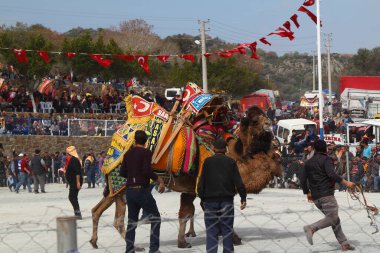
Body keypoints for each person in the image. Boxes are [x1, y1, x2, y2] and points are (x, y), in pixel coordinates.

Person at [300, 140, 356, 251]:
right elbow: (331, 174)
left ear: (314, 149)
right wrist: (346, 183)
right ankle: (311, 228)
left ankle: (344, 243)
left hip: (315, 197)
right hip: (326, 195)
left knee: (334, 219)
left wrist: (307, 192)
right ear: (325, 148)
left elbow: (302, 179)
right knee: (333, 217)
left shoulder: (308, 162)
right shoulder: (326, 159)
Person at [197, 138, 247, 253]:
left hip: (210, 202)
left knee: (211, 232)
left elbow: (201, 183)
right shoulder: (231, 162)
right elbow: (239, 182)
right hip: (226, 201)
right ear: (225, 149)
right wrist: (243, 198)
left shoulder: (207, 162)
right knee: (227, 231)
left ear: (214, 148)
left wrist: (202, 198)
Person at [119, 130, 165, 253]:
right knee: (156, 218)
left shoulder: (128, 154)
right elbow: (146, 171)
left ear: (135, 141)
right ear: (146, 142)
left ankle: (129, 250)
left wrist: (132, 174)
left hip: (130, 191)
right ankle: (154, 249)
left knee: (132, 222)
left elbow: (122, 172)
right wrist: (159, 179)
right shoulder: (146, 153)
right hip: (141, 191)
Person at [65, 146, 83, 219]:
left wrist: (78, 182)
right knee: (73, 197)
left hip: (75, 182)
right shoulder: (72, 160)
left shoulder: (74, 160)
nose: (66, 155)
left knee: (72, 197)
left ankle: (78, 214)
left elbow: (77, 172)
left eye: (67, 154)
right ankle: (77, 213)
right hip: (73, 182)